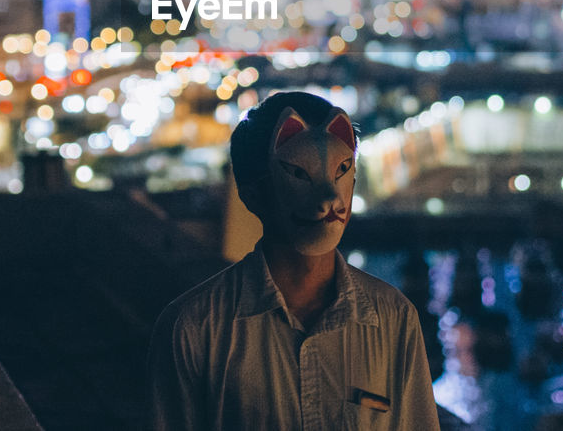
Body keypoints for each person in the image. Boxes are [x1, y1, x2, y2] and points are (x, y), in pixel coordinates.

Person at [147, 91, 441, 430]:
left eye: (341, 171)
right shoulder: (194, 330)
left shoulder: (394, 318)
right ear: (253, 195)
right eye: (300, 175)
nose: (330, 198)